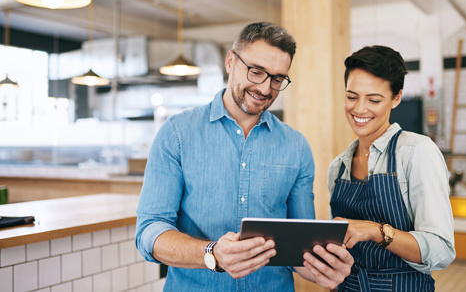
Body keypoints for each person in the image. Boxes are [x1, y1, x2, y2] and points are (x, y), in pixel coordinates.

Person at [136, 22, 353, 291]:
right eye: (256, 71)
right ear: (230, 62)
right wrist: (212, 253)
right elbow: (149, 232)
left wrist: (324, 269)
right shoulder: (177, 134)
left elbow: (298, 250)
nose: (265, 88)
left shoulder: (296, 147)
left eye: (277, 79)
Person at [328, 45, 455, 292]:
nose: (359, 109)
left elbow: (441, 250)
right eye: (352, 96)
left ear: (396, 98)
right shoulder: (337, 167)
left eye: (374, 99)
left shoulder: (416, 152)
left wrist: (376, 231)